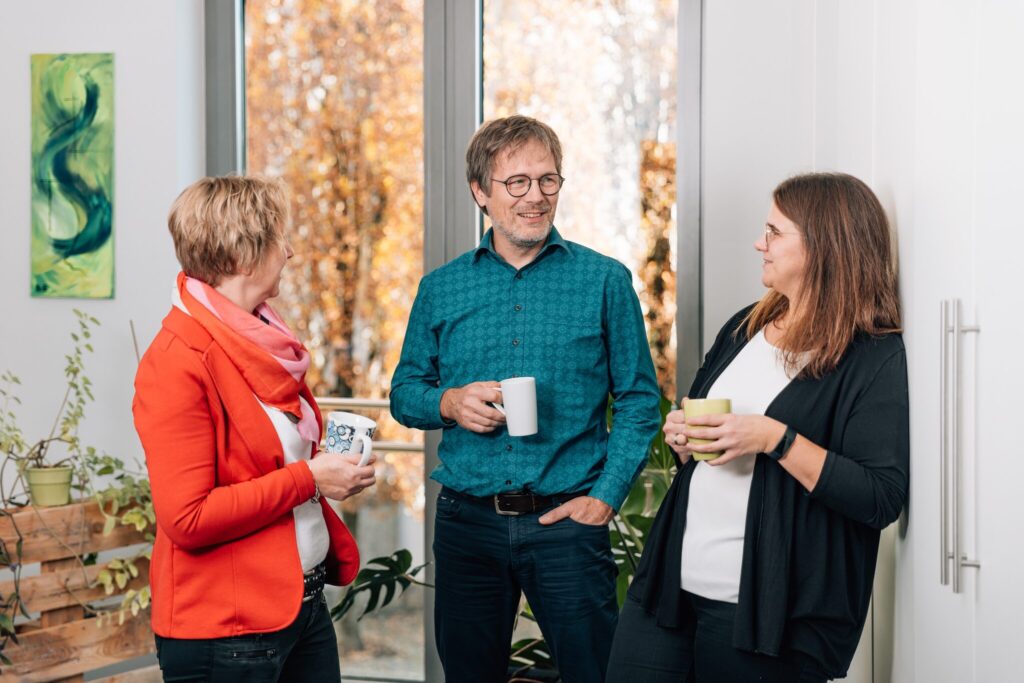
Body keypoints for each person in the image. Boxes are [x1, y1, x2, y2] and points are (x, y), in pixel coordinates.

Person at [606, 172, 909, 682]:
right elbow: (698, 432)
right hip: (669, 590)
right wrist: (682, 434)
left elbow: (878, 497)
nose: (758, 243)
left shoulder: (871, 356)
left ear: (823, 246)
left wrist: (775, 438)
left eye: (773, 232)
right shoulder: (746, 324)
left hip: (773, 617)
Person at [390, 115, 661, 682]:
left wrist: (604, 499)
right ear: (480, 193)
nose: (534, 197)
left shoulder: (605, 281)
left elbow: (639, 401)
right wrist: (450, 404)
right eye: (516, 182)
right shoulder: (441, 288)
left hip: (568, 522)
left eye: (547, 180)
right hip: (467, 525)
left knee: (593, 674)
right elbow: (404, 394)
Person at [133, 176, 376, 682]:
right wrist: (311, 478)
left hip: (301, 606)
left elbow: (269, 454)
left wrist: (329, 468)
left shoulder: (265, 339)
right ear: (244, 256)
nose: (288, 253)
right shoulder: (178, 361)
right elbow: (188, 518)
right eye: (277, 241)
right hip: (228, 631)